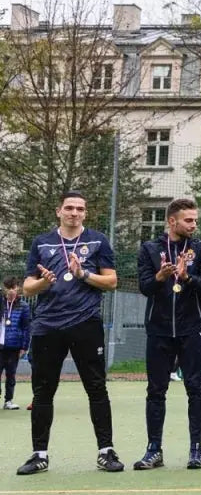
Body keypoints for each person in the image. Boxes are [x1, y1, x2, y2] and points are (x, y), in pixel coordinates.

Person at [15, 192, 123, 476]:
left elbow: (111, 281)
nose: (74, 213)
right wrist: (43, 282)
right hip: (47, 326)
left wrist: (83, 275)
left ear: (85, 214)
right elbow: (27, 288)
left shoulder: (98, 240)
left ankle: (106, 451)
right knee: (43, 392)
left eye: (80, 209)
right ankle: (39, 454)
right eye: (69, 208)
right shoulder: (42, 242)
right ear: (58, 211)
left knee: (96, 388)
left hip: (86, 324)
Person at [134, 198, 201, 471]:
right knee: (156, 391)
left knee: (196, 388)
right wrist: (160, 277)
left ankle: (197, 450)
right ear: (172, 221)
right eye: (188, 220)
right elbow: (144, 287)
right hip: (158, 330)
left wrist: (186, 278)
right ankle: (154, 450)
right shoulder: (149, 249)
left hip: (191, 329)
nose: (194, 225)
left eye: (195, 220)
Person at [2, 277, 33, 410]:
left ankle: (8, 400)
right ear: (4, 289)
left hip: (14, 345)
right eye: (8, 288)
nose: (11, 291)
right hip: (0, 344)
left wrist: (24, 346)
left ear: (18, 288)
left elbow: (27, 328)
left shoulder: (24, 306)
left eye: (14, 288)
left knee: (11, 374)